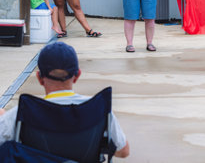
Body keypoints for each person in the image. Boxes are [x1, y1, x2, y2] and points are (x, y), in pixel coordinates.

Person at [0, 42, 130, 158]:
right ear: (77, 75)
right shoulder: (98, 109)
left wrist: (3, 118)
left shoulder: (21, 114)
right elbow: (123, 151)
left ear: (39, 78)